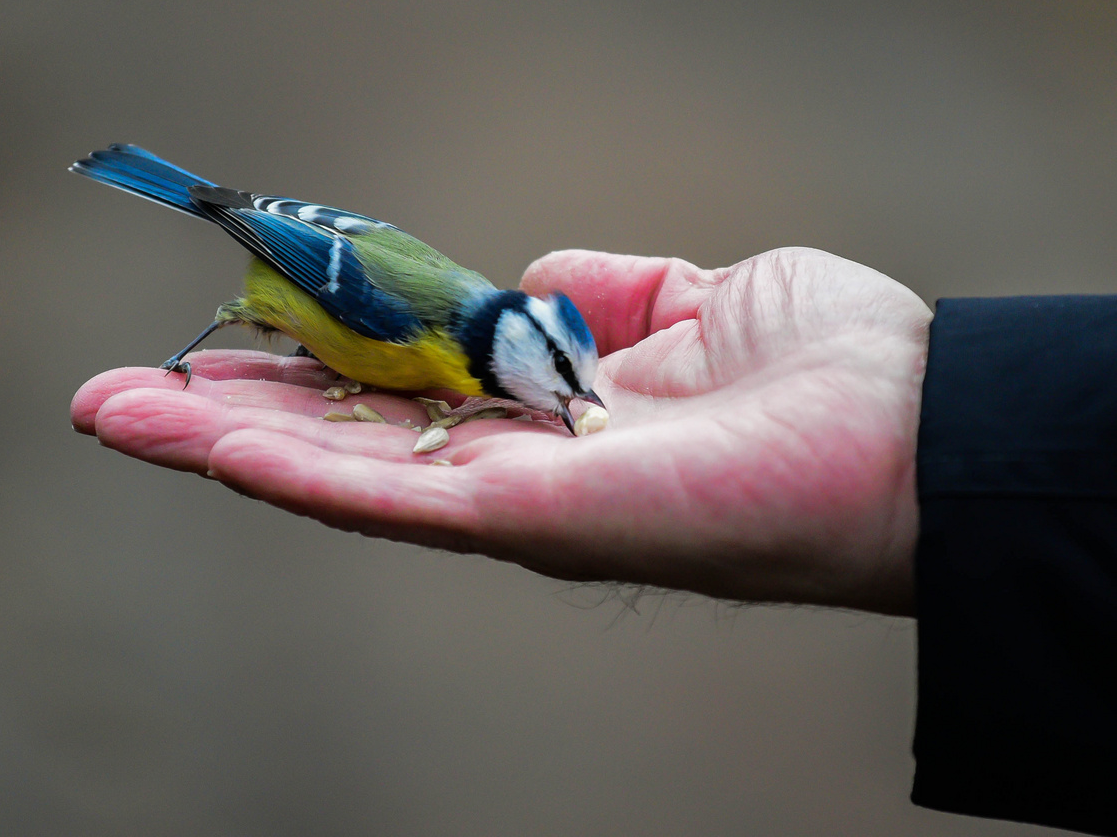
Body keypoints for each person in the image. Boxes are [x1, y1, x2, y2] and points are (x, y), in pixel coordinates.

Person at [72, 247, 1117, 835]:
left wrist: (918, 439)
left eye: (578, 389)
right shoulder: (437, 335)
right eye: (556, 390)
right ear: (510, 350)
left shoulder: (470, 362)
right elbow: (315, 250)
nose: (571, 408)